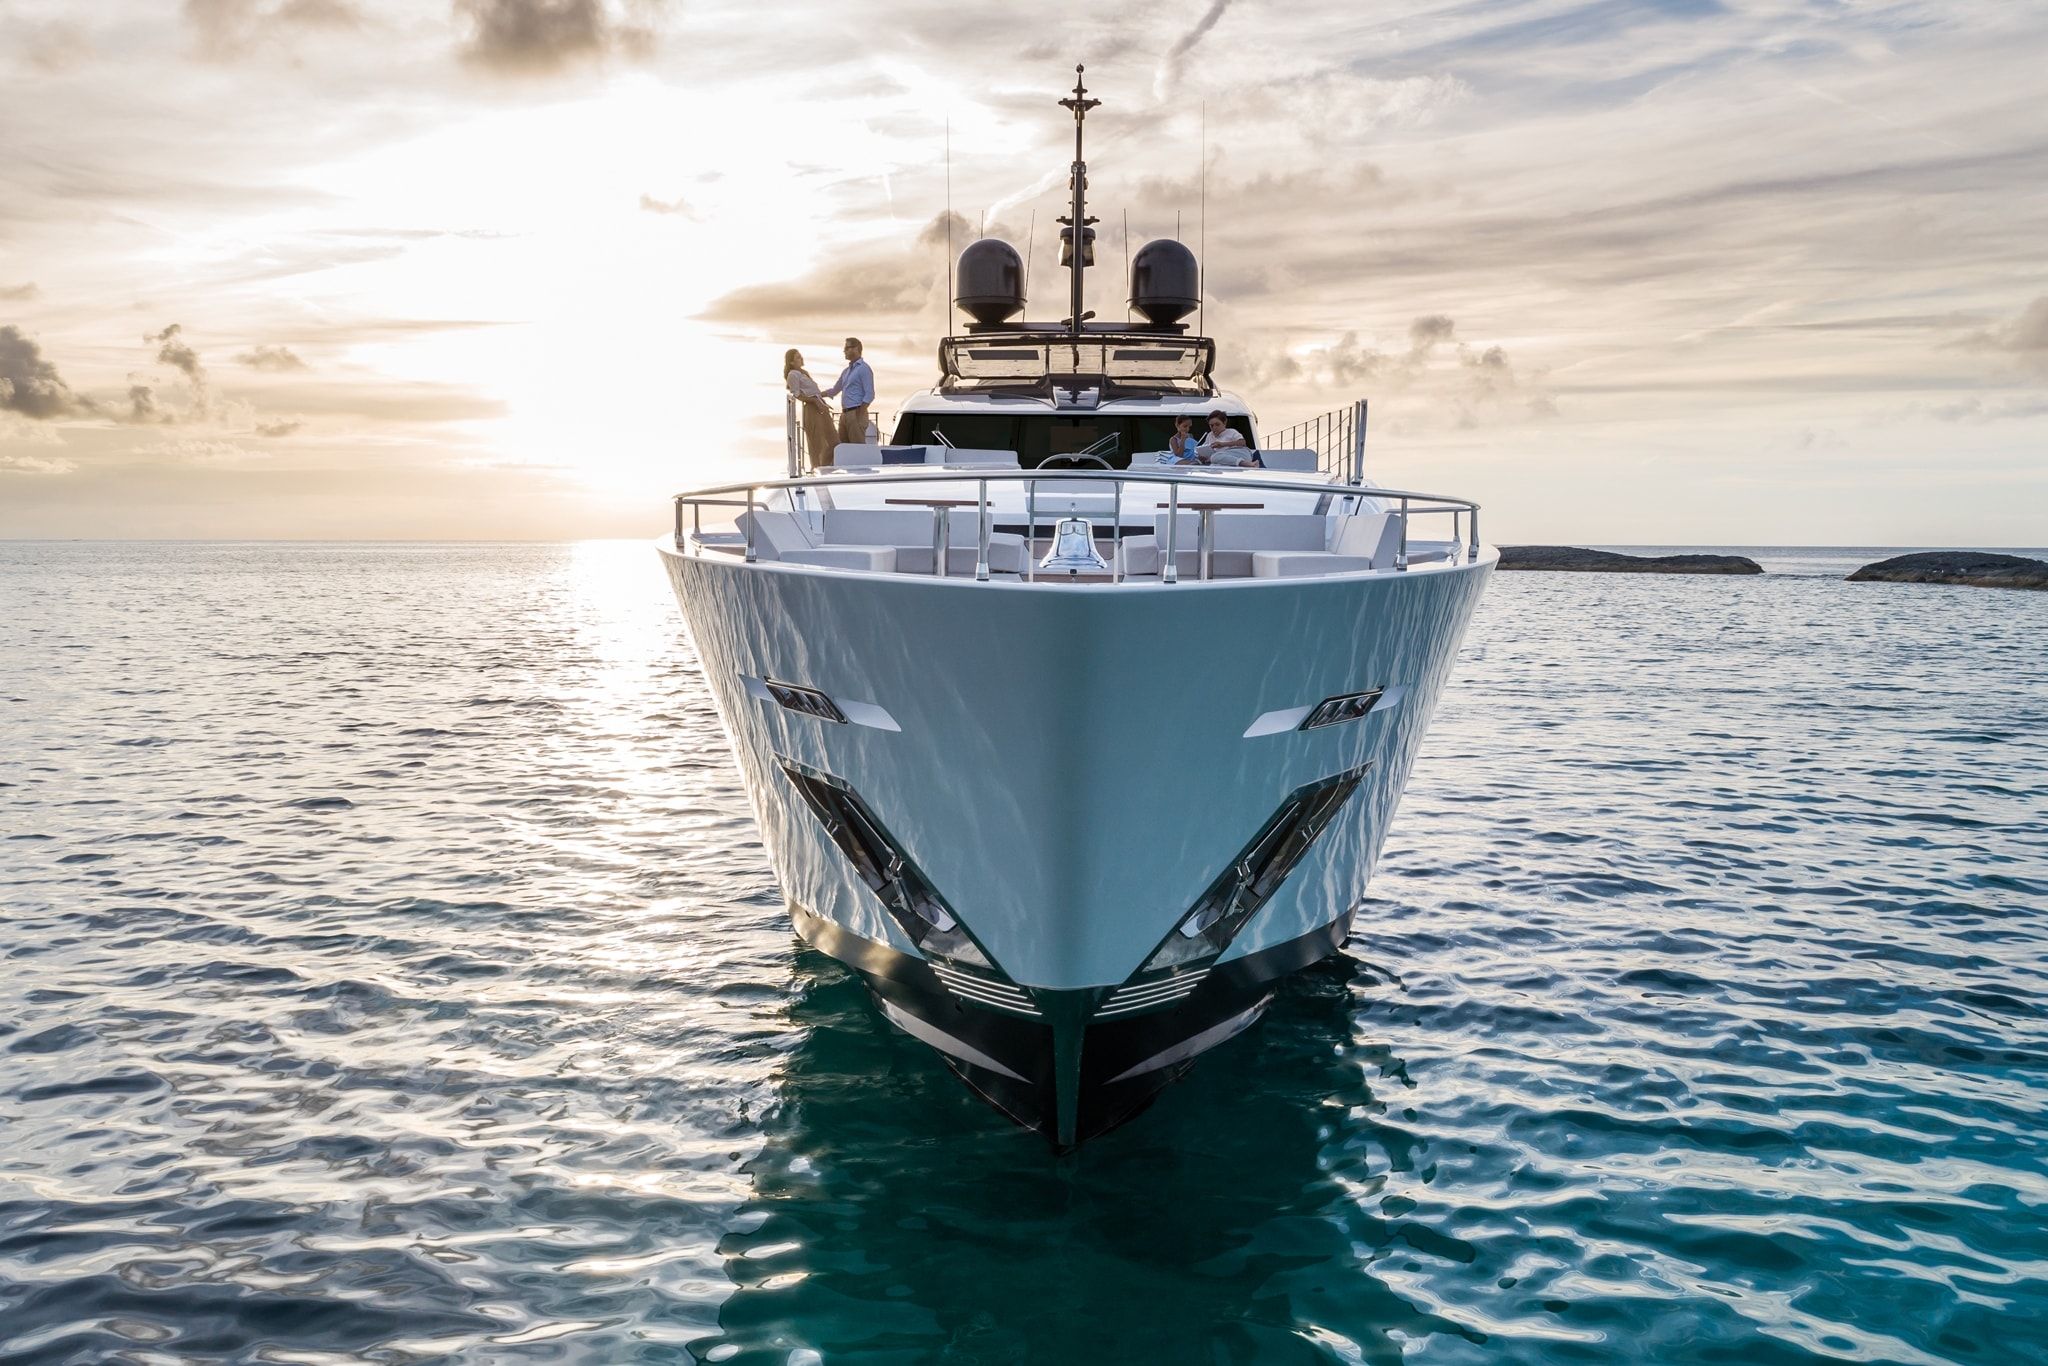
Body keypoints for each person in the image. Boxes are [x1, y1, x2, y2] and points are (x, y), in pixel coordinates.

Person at [784, 349, 836, 469]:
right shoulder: (793, 375)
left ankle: (824, 466)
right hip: (812, 409)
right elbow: (797, 394)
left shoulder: (804, 373)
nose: (801, 358)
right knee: (818, 443)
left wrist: (823, 397)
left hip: (821, 407)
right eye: (797, 357)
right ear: (791, 362)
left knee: (834, 441)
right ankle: (818, 468)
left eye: (800, 356)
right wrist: (814, 401)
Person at [821, 336, 875, 446]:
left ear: (856, 348)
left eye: (847, 348)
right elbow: (835, 390)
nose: (844, 351)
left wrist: (861, 412)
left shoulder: (864, 369)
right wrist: (816, 394)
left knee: (857, 449)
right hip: (844, 414)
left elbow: (870, 393)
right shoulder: (846, 371)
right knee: (844, 448)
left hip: (856, 412)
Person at [1196, 409, 1261, 467]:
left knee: (1215, 457)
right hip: (1223, 458)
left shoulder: (1231, 432)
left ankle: (1247, 464)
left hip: (1241, 453)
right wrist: (1202, 456)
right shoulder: (1210, 435)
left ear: (1224, 423)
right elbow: (1205, 448)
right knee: (1214, 461)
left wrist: (1222, 444)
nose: (1214, 427)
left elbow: (1242, 442)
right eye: (1211, 426)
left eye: (1217, 424)